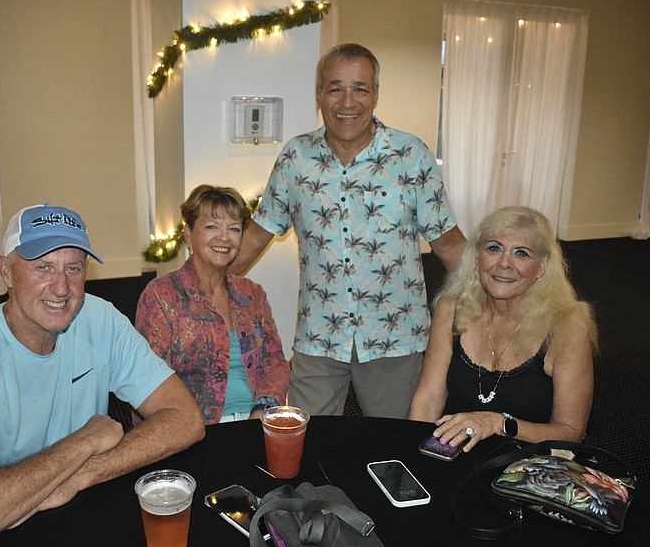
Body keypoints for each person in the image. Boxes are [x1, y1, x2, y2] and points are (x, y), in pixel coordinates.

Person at [0, 204, 204, 546]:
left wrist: (81, 473)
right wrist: (83, 442)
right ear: (6, 272)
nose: (61, 287)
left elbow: (186, 419)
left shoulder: (100, 320)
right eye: (43, 267)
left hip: (68, 511)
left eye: (73, 268)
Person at [231, 43, 465, 418]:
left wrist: (497, 301)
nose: (347, 101)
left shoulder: (411, 155)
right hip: (320, 336)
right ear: (319, 94)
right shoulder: (296, 158)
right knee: (306, 444)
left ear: (375, 95)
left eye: (360, 88)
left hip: (395, 339)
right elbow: (257, 234)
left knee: (393, 448)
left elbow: (449, 244)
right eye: (335, 87)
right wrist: (199, 288)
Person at [408, 206, 597, 452]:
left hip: (527, 466)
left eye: (522, 253)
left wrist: (499, 424)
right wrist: (410, 455)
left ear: (542, 266)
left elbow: (571, 432)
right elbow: (429, 398)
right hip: (454, 455)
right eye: (494, 248)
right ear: (476, 256)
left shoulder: (566, 326)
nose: (505, 263)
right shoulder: (452, 308)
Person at [136, 185, 290, 424]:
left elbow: (275, 365)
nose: (224, 237)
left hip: (257, 421)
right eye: (211, 226)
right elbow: (148, 381)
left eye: (234, 229)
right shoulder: (161, 296)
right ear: (188, 233)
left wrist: (262, 411)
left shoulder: (252, 294)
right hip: (192, 430)